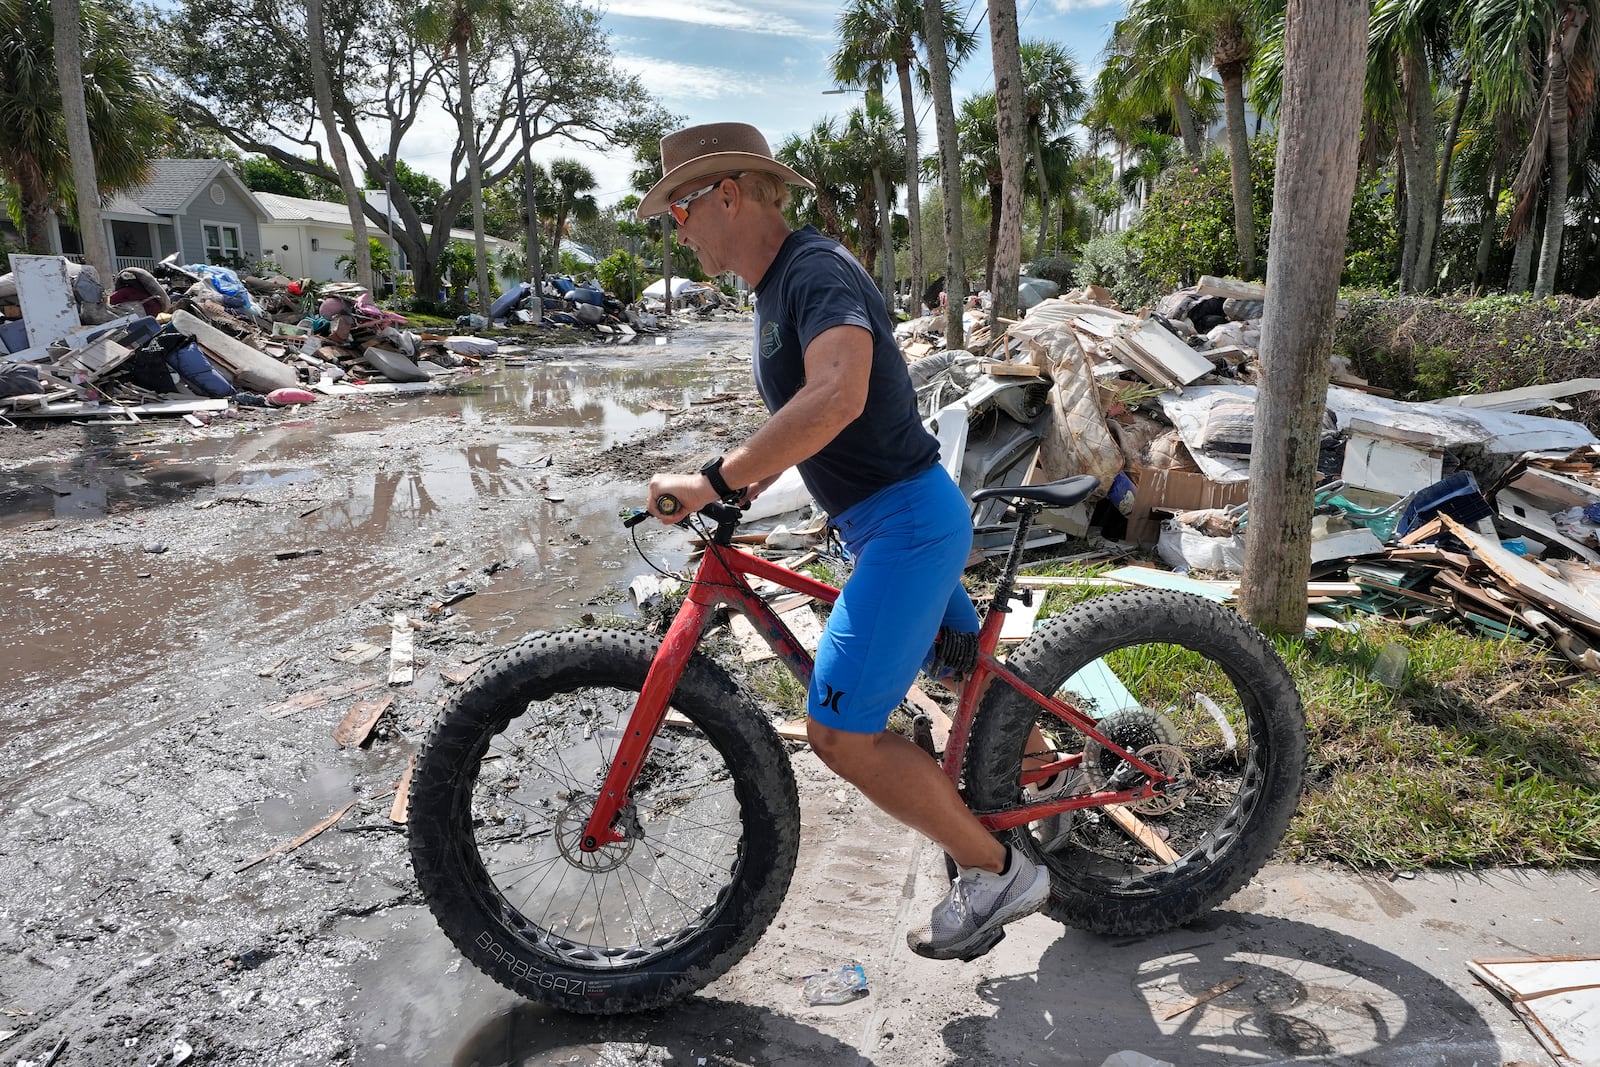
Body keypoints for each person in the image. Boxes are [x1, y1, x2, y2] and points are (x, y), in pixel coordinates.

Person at [636, 122, 1050, 961]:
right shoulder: (775, 288)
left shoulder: (815, 271)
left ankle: (1000, 871)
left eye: (681, 207)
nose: (676, 228)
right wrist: (747, 478)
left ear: (729, 193)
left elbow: (838, 395)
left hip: (906, 525)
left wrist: (715, 477)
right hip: (891, 520)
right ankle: (1047, 787)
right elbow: (808, 415)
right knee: (971, 679)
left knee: (839, 732)